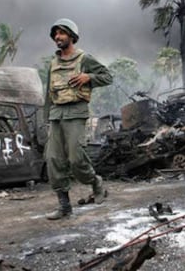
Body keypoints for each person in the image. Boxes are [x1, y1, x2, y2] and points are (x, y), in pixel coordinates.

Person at [44, 18, 112, 220]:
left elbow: (108, 76)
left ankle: (95, 181)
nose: (58, 37)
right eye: (55, 34)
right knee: (53, 159)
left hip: (76, 112)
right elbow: (47, 92)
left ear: (71, 36)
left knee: (75, 158)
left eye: (62, 33)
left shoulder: (84, 59)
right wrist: (45, 119)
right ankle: (64, 206)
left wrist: (88, 77)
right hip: (56, 114)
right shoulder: (53, 63)